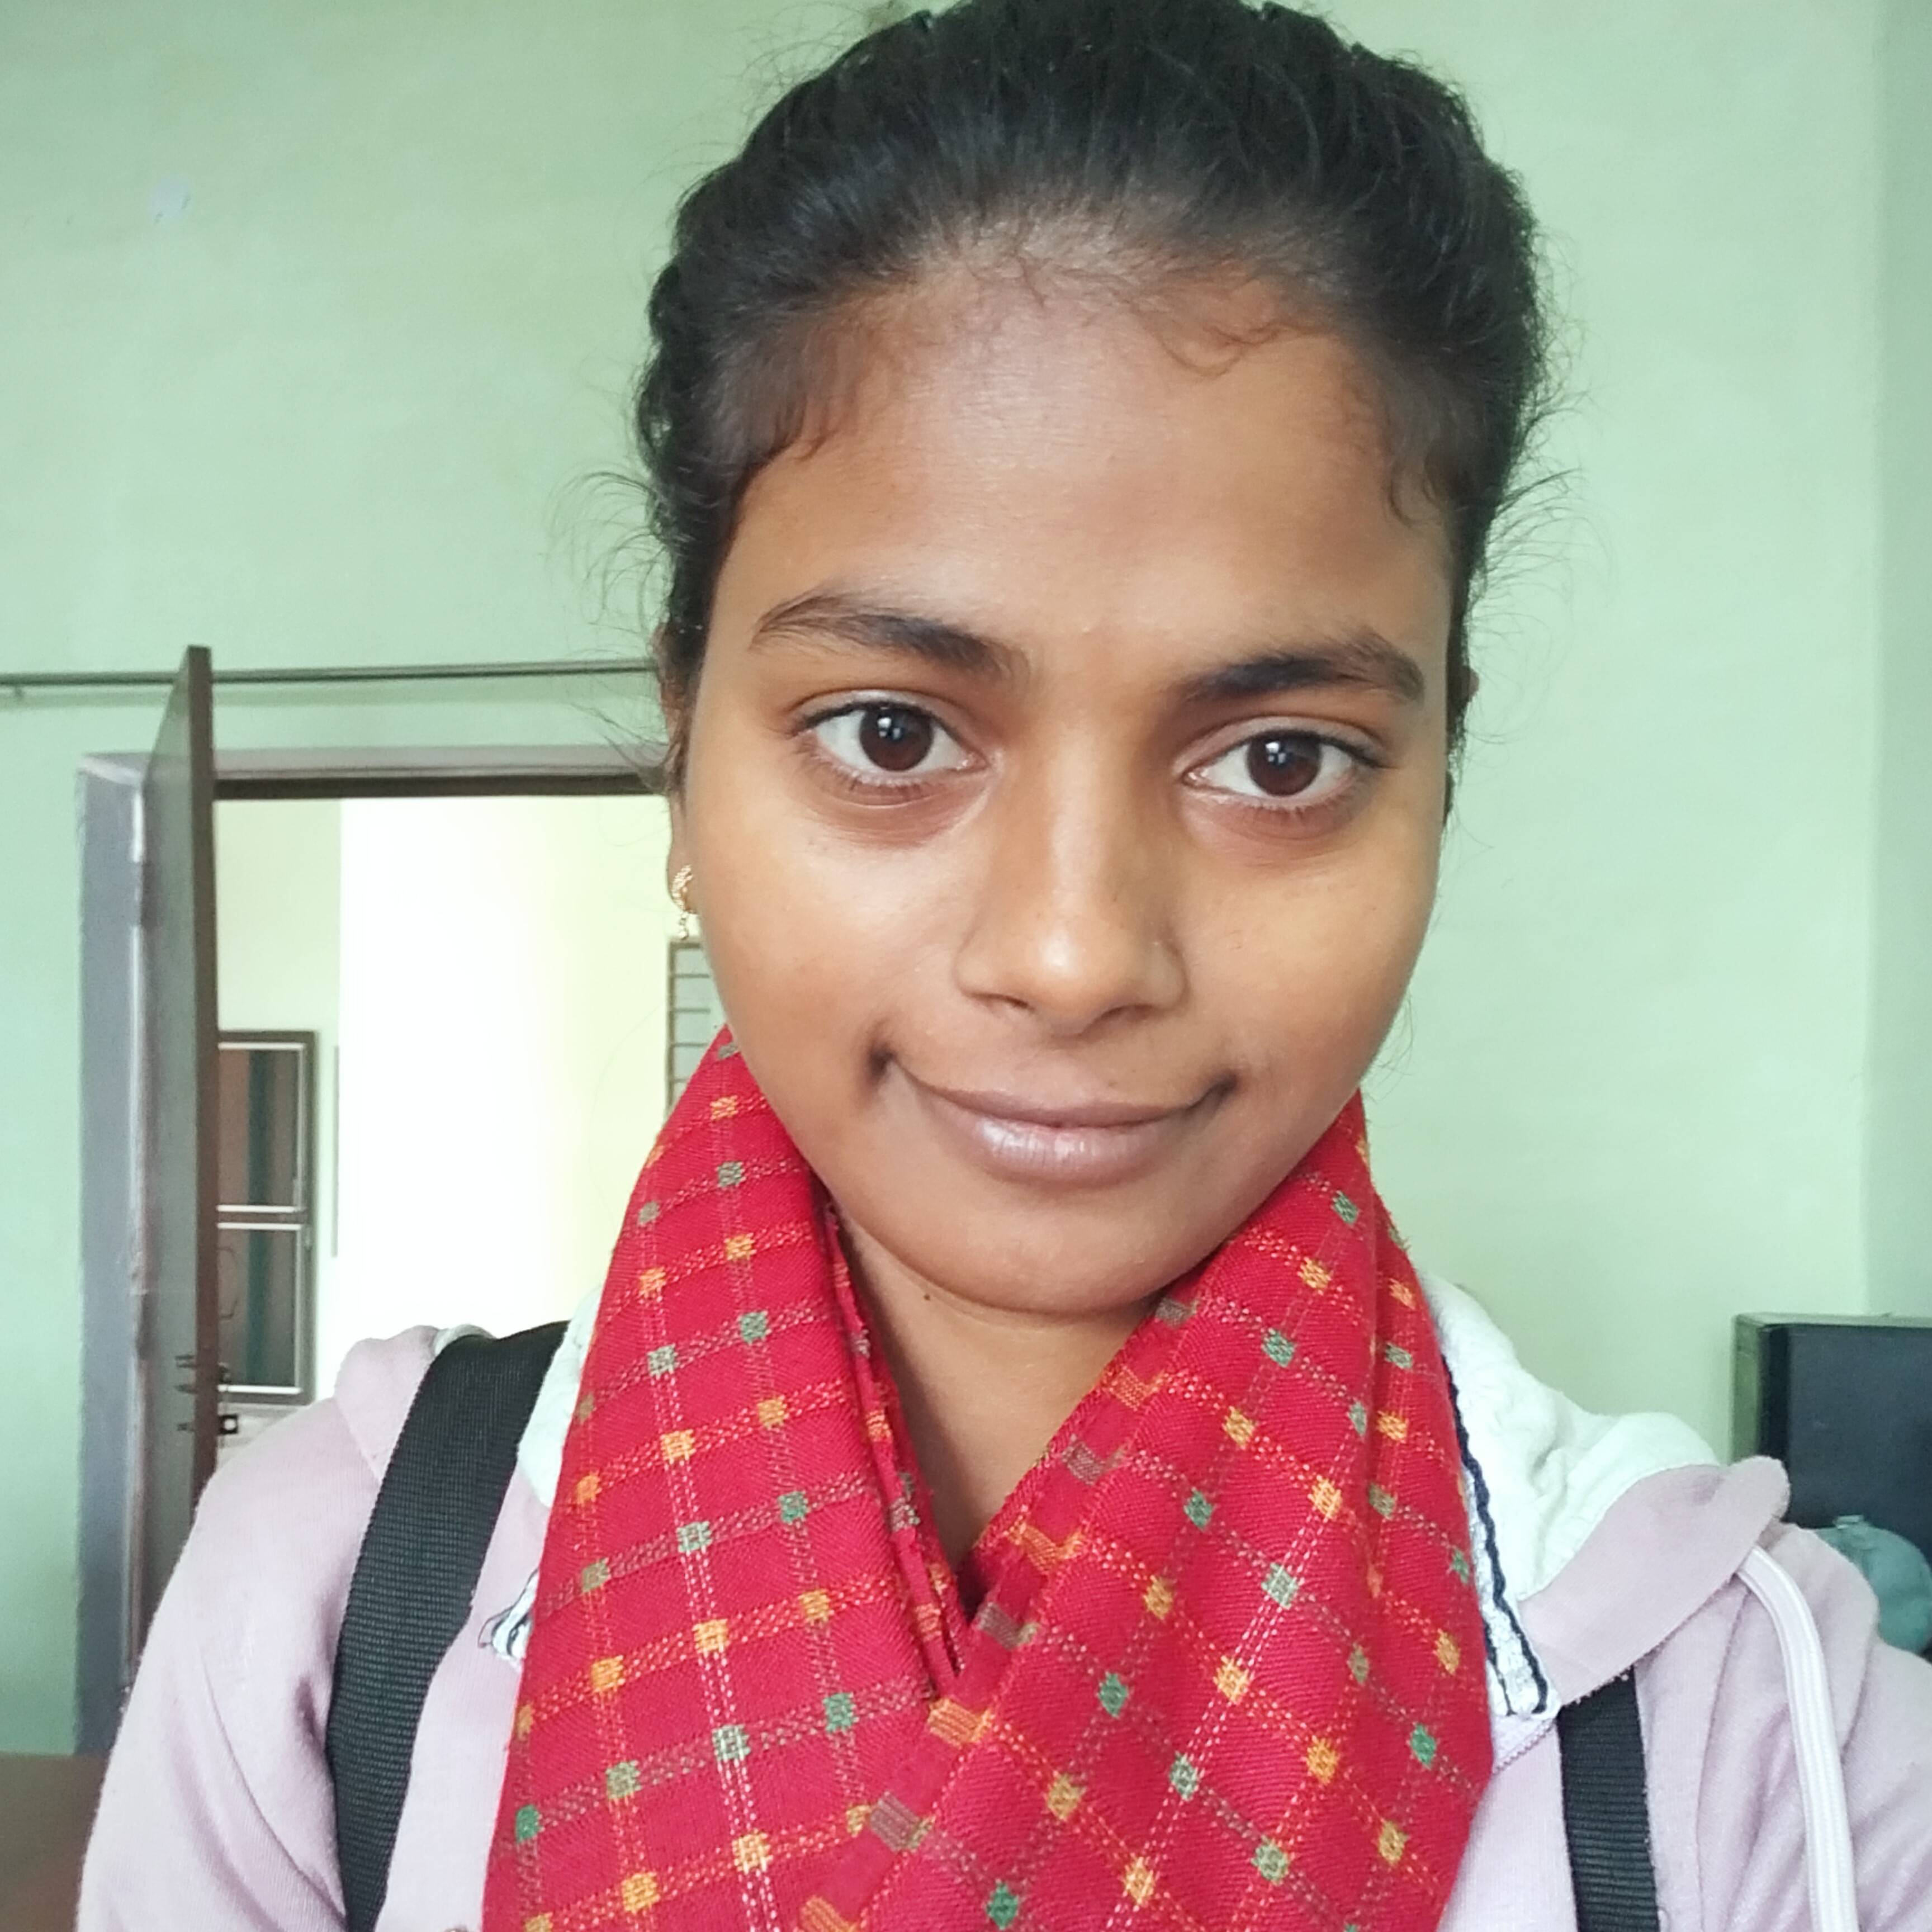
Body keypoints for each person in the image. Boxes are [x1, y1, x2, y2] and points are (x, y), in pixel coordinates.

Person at [79, 2, 1932, 1928]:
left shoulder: (1751, 1738)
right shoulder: (337, 1604)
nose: (1070, 955)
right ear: (685, 750)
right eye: (892, 734)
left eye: (1278, 762)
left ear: (1437, 775)